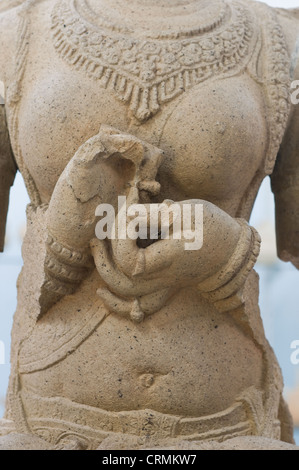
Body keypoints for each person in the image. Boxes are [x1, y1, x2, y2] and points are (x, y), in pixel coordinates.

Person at [0, 0, 298, 450]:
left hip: (229, 420)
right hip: (45, 420)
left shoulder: (281, 40)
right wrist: (63, 242)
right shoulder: (13, 32)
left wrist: (225, 255)